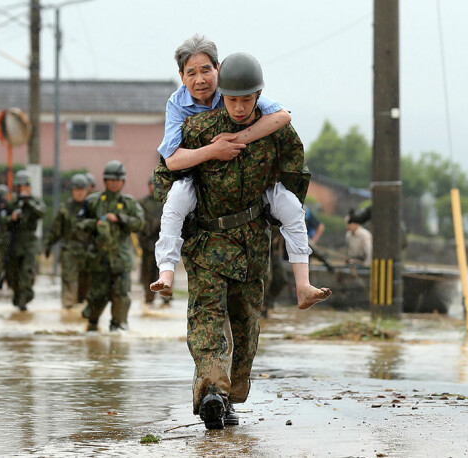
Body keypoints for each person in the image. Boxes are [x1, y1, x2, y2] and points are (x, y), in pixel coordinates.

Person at [153, 52, 324, 430]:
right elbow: (166, 172)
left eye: (248, 99)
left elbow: (295, 166)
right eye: (233, 99)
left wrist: (274, 205)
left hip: (250, 242)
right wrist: (208, 157)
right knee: (207, 319)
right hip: (207, 242)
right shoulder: (199, 129)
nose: (241, 106)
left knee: (246, 325)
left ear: (258, 95)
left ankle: (229, 395)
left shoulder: (274, 130)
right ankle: (212, 389)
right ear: (222, 95)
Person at [151, 34, 330, 311]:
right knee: (174, 203)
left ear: (218, 69)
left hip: (251, 183)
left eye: (206, 70)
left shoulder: (236, 88)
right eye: (192, 73)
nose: (200, 80)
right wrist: (214, 150)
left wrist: (239, 138)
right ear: (181, 76)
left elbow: (282, 116)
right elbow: (171, 159)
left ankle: (303, 285)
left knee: (293, 208)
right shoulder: (177, 105)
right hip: (201, 183)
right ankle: (166, 272)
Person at [77, 161, 144, 332]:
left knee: (121, 295)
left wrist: (120, 218)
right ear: (105, 181)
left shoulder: (128, 203)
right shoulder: (93, 201)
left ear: (123, 182)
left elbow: (139, 223)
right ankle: (92, 323)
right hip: (99, 258)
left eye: (117, 180)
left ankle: (118, 326)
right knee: (97, 295)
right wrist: (95, 223)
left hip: (121, 259)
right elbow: (79, 224)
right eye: (110, 180)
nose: (114, 183)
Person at [1, 170, 46, 311]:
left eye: (26, 187)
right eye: (21, 187)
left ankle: (24, 298)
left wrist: (28, 203)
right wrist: (11, 218)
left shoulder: (35, 201)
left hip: (30, 242)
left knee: (27, 271)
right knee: (13, 274)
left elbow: (41, 212)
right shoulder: (12, 202)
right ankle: (18, 296)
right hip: (15, 242)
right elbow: (2, 220)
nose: (24, 190)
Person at [44, 174, 90, 309]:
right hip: (70, 251)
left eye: (82, 189)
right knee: (69, 283)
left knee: (86, 284)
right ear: (72, 191)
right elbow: (55, 230)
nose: (80, 192)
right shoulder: (65, 209)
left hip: (89, 252)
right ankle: (69, 313)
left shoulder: (92, 207)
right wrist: (48, 245)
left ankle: (84, 313)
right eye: (77, 189)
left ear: (87, 190)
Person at [137, 173, 170, 308]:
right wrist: (154, 224)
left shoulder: (166, 202)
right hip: (148, 245)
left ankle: (166, 298)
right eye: (152, 184)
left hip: (164, 246)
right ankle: (148, 298)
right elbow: (141, 224)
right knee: (148, 273)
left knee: (164, 272)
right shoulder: (142, 203)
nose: (154, 187)